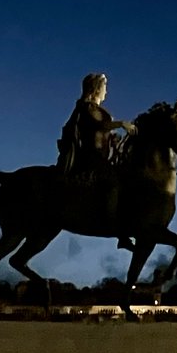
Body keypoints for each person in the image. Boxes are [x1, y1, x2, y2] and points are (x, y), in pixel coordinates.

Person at [56, 72, 137, 248]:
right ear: (96, 89)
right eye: (104, 87)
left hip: (102, 156)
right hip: (91, 157)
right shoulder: (86, 108)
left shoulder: (96, 109)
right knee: (113, 183)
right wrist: (121, 124)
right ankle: (113, 224)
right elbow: (97, 126)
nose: (106, 91)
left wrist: (114, 138)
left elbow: (102, 132)